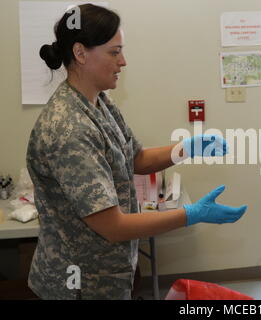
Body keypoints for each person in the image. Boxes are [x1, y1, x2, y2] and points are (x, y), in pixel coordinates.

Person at [26, 4, 247, 300]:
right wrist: (191, 215)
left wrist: (187, 148)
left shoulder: (99, 102)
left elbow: (137, 159)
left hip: (106, 277)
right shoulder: (69, 128)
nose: (123, 61)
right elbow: (113, 226)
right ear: (80, 54)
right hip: (77, 286)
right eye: (114, 52)